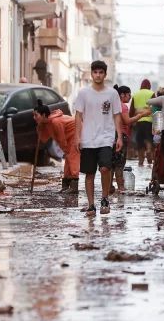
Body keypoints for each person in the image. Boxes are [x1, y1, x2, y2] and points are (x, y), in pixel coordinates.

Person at [74, 60, 123, 216]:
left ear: (105, 75)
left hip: (106, 138)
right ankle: (91, 205)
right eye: (95, 72)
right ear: (91, 74)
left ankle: (104, 199)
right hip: (88, 138)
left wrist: (119, 137)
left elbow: (117, 116)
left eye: (101, 72)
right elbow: (78, 116)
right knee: (90, 173)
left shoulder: (112, 94)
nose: (98, 75)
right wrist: (77, 137)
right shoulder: (83, 93)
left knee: (105, 168)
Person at [34, 101, 80, 194]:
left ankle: (74, 186)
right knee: (68, 160)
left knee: (72, 158)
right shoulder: (47, 123)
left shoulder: (55, 122)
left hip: (77, 135)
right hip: (69, 138)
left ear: (43, 115)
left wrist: (65, 149)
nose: (34, 118)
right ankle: (66, 185)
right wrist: (40, 128)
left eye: (36, 115)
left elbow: (61, 138)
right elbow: (44, 139)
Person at [112, 85, 151, 192]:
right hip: (121, 136)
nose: (130, 97)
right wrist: (143, 115)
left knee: (112, 163)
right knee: (120, 163)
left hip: (111, 135)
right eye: (129, 95)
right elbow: (128, 121)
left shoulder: (113, 105)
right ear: (122, 95)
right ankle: (120, 186)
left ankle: (109, 186)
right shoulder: (123, 107)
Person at [131, 79, 155, 166]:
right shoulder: (151, 94)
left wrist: (131, 120)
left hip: (138, 121)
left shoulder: (135, 94)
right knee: (149, 139)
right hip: (149, 121)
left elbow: (131, 109)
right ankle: (148, 151)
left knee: (140, 142)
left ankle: (140, 162)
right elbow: (155, 107)